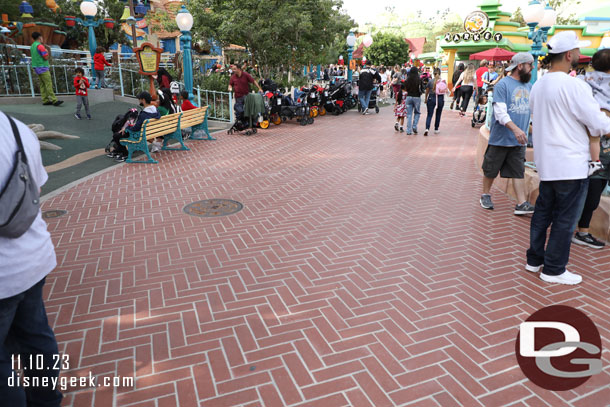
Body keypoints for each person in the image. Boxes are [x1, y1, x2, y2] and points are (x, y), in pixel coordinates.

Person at [526, 31, 610, 285]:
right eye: (577, 52)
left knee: (543, 213)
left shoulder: (538, 85)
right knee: (565, 219)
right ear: (569, 55)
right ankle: (554, 269)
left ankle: (534, 260)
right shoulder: (574, 85)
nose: (579, 56)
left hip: (547, 162)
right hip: (571, 164)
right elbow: (597, 123)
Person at [0, 113, 63, 407]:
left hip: (3, 275)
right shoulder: (17, 129)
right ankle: (47, 400)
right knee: (36, 337)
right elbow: (35, 188)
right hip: (33, 258)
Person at [479, 52, 536, 216]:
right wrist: (516, 129)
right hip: (501, 139)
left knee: (518, 171)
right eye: (529, 65)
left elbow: (530, 114)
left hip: (519, 141)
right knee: (491, 169)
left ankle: (521, 203)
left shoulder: (529, 87)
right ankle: (485, 195)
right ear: (520, 66)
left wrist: (532, 129)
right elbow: (500, 113)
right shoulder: (503, 85)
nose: (532, 68)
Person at [574, 48, 610, 249]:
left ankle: (581, 230)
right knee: (593, 193)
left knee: (591, 192)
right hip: (599, 150)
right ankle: (582, 231)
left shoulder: (582, 82)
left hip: (588, 146)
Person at [120, 91, 161, 159]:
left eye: (140, 99)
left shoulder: (144, 114)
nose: (139, 101)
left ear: (143, 100)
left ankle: (125, 154)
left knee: (120, 134)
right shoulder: (156, 111)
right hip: (153, 131)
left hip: (143, 134)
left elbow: (136, 128)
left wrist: (126, 129)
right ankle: (154, 144)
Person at [30, 32, 62, 106]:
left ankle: (45, 100)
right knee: (48, 84)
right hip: (43, 67)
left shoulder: (32, 46)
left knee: (42, 84)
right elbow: (46, 57)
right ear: (40, 37)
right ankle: (54, 100)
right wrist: (47, 52)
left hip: (36, 67)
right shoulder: (40, 46)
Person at [424, 68, 448, 136]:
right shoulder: (443, 81)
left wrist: (426, 98)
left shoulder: (430, 81)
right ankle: (436, 128)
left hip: (431, 97)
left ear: (433, 73)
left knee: (429, 114)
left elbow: (427, 91)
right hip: (440, 98)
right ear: (440, 73)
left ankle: (427, 128)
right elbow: (445, 90)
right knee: (438, 114)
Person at [404, 67, 422, 134]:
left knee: (409, 114)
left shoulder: (408, 79)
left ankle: (408, 130)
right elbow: (422, 88)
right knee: (417, 112)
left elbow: (405, 88)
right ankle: (414, 126)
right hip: (417, 97)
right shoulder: (419, 79)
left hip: (409, 97)